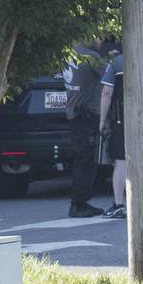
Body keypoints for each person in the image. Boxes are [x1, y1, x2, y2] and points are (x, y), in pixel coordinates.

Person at [98, 42, 143, 220]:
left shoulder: (117, 62)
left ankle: (119, 205)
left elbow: (107, 92)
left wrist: (103, 120)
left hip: (123, 118)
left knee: (121, 161)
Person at [62, 43, 108, 219]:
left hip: (74, 113)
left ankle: (82, 201)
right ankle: (78, 203)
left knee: (81, 157)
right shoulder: (90, 58)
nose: (98, 39)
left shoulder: (67, 55)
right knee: (86, 159)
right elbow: (110, 75)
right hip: (87, 114)